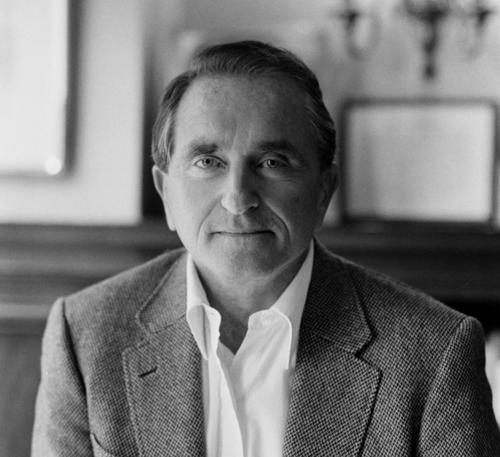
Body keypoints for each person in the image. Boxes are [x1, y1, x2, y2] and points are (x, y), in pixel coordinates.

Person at [32, 40, 500, 457]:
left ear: (323, 191)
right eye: (208, 161)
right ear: (165, 192)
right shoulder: (85, 336)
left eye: (273, 162)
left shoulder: (434, 352)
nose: (238, 198)